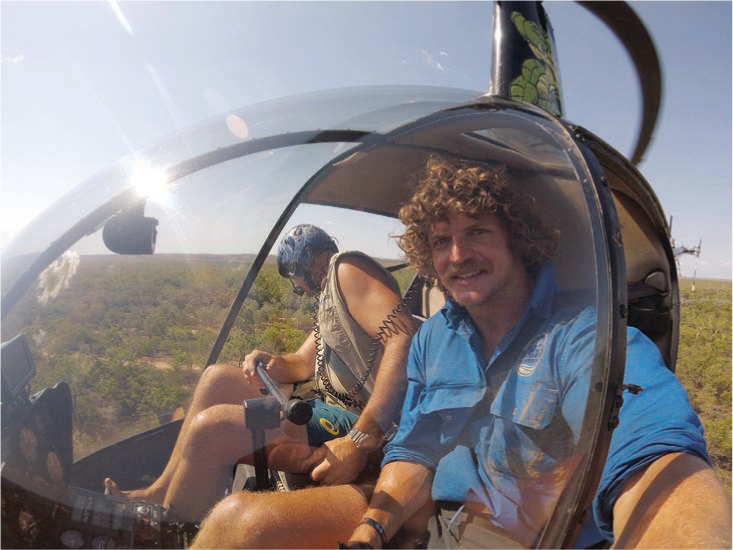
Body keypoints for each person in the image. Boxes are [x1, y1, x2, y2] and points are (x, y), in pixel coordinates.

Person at [191, 156, 730, 549]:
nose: (458, 254)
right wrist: (369, 532)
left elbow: (660, 468)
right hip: (429, 517)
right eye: (441, 239)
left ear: (518, 240)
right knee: (239, 524)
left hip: (524, 538)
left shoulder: (582, 338)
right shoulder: (437, 337)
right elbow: (416, 448)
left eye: (478, 232)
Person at [104, 224, 415, 522]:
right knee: (216, 378)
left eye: (295, 277)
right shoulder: (330, 295)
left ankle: (166, 530)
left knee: (211, 429)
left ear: (305, 262)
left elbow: (403, 337)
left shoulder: (346, 269)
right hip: (329, 410)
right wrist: (269, 361)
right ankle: (160, 493)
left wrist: (360, 438)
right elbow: (302, 364)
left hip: (361, 423)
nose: (298, 287)